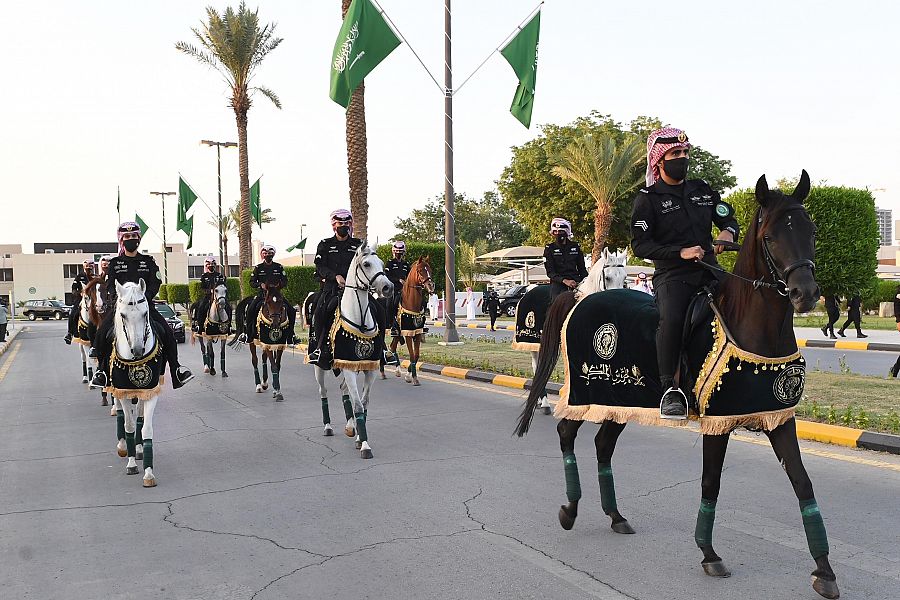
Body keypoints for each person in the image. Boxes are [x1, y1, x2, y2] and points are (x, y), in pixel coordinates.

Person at [630, 127, 739, 420]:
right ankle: (670, 390)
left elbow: (728, 219)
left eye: (685, 153)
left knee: (744, 301)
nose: (682, 158)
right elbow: (640, 245)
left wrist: (727, 234)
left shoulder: (703, 190)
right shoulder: (648, 199)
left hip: (710, 270)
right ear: (659, 161)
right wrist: (680, 252)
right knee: (673, 319)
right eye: (675, 154)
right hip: (673, 276)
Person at [90, 222, 193, 389]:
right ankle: (102, 372)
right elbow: (109, 284)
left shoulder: (148, 261)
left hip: (145, 307)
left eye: (134, 236)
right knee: (102, 333)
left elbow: (156, 281)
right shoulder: (115, 263)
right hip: (122, 307)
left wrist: (147, 295)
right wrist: (118, 296)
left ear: (138, 238)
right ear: (122, 240)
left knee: (168, 333)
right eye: (127, 237)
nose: (131, 239)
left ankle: (176, 370)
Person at [308, 209, 363, 365]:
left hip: (355, 289)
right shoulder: (325, 244)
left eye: (347, 223)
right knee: (319, 312)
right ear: (334, 225)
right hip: (331, 289)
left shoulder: (358, 244)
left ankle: (382, 349)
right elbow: (320, 266)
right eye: (340, 223)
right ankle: (319, 348)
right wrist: (335, 276)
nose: (344, 226)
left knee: (376, 308)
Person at [244, 244, 293, 342]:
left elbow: (285, 280)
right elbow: (251, 282)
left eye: (270, 253)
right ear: (262, 255)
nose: (267, 255)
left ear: (273, 254)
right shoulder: (258, 268)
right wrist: (260, 284)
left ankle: (291, 335)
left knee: (291, 310)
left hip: (276, 295)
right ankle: (248, 334)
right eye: (265, 253)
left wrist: (279, 285)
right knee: (250, 309)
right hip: (262, 295)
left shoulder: (279, 267)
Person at [543, 218, 588, 301]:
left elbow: (582, 268)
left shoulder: (576, 247)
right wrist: (565, 281)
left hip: (576, 282)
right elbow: (550, 272)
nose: (557, 234)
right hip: (559, 284)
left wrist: (585, 281)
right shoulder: (549, 249)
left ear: (566, 232)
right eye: (555, 232)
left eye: (560, 231)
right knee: (556, 303)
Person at [383, 241, 411, 364]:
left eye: (401, 252)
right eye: (397, 252)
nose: (399, 254)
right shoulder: (390, 263)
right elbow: (386, 275)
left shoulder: (406, 264)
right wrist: (398, 280)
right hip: (393, 289)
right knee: (390, 304)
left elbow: (410, 276)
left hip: (405, 290)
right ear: (393, 252)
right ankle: (392, 325)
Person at [64, 259, 96, 344]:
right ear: (84, 267)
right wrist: (80, 293)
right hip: (81, 298)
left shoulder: (96, 277)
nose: (89, 268)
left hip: (94, 299)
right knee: (72, 314)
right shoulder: (79, 277)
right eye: (87, 266)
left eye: (90, 266)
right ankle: (70, 333)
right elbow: (73, 290)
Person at [194, 256, 227, 330]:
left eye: (213, 264)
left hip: (218, 296)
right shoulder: (204, 276)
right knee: (201, 308)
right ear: (206, 266)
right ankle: (200, 326)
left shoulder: (219, 275)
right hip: (208, 296)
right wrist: (209, 291)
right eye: (209, 265)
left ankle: (229, 326)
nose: (211, 266)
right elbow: (202, 287)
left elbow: (223, 285)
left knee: (228, 307)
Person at [890, 285, 900, 378]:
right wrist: (898, 321)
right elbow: (897, 308)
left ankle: (895, 369)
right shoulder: (899, 294)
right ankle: (895, 369)